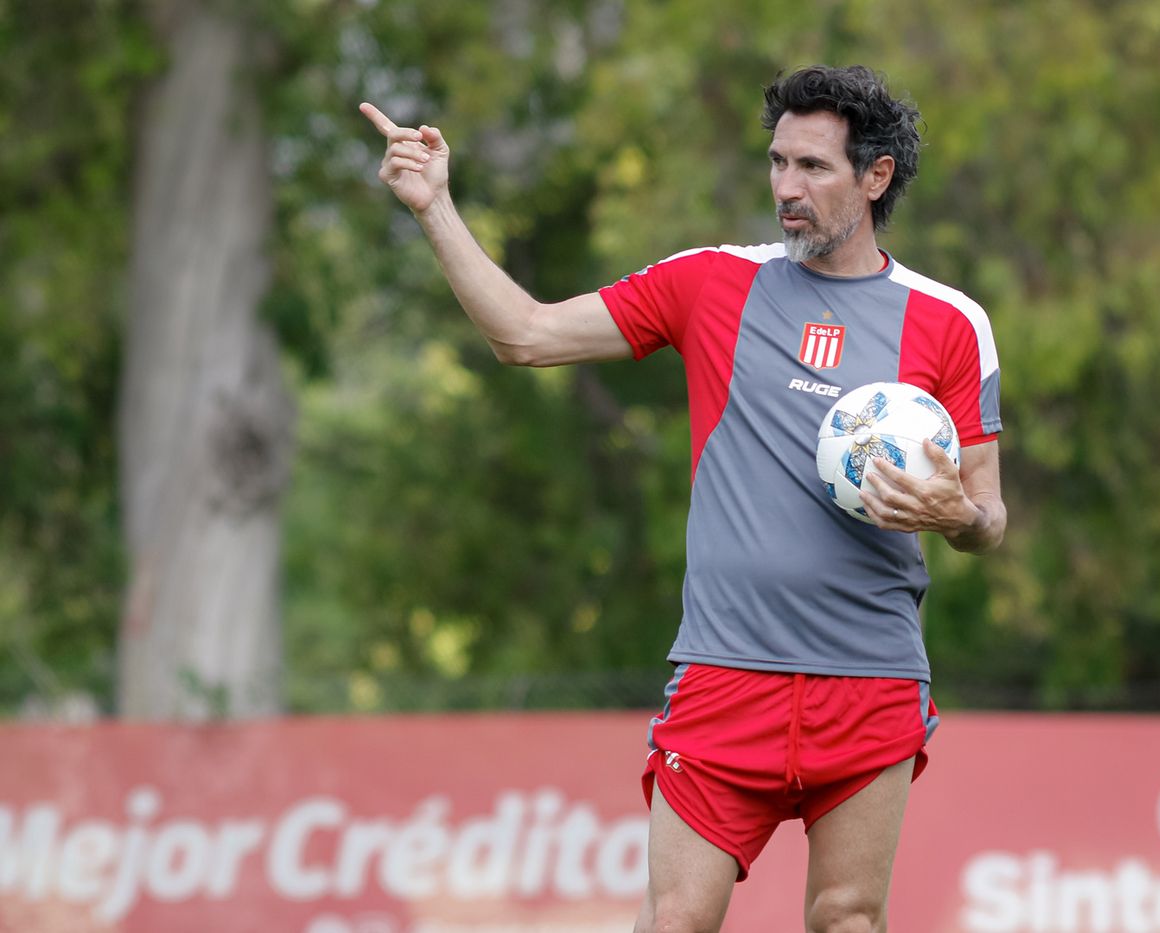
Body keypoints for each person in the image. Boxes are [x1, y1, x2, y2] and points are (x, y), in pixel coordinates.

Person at [360, 63, 1004, 933]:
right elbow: (525, 335)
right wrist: (435, 206)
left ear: (875, 177)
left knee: (847, 917)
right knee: (676, 922)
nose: (786, 187)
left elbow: (986, 516)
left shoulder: (950, 320)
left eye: (813, 167)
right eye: (777, 162)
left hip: (869, 677)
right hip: (725, 672)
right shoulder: (712, 282)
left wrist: (958, 516)